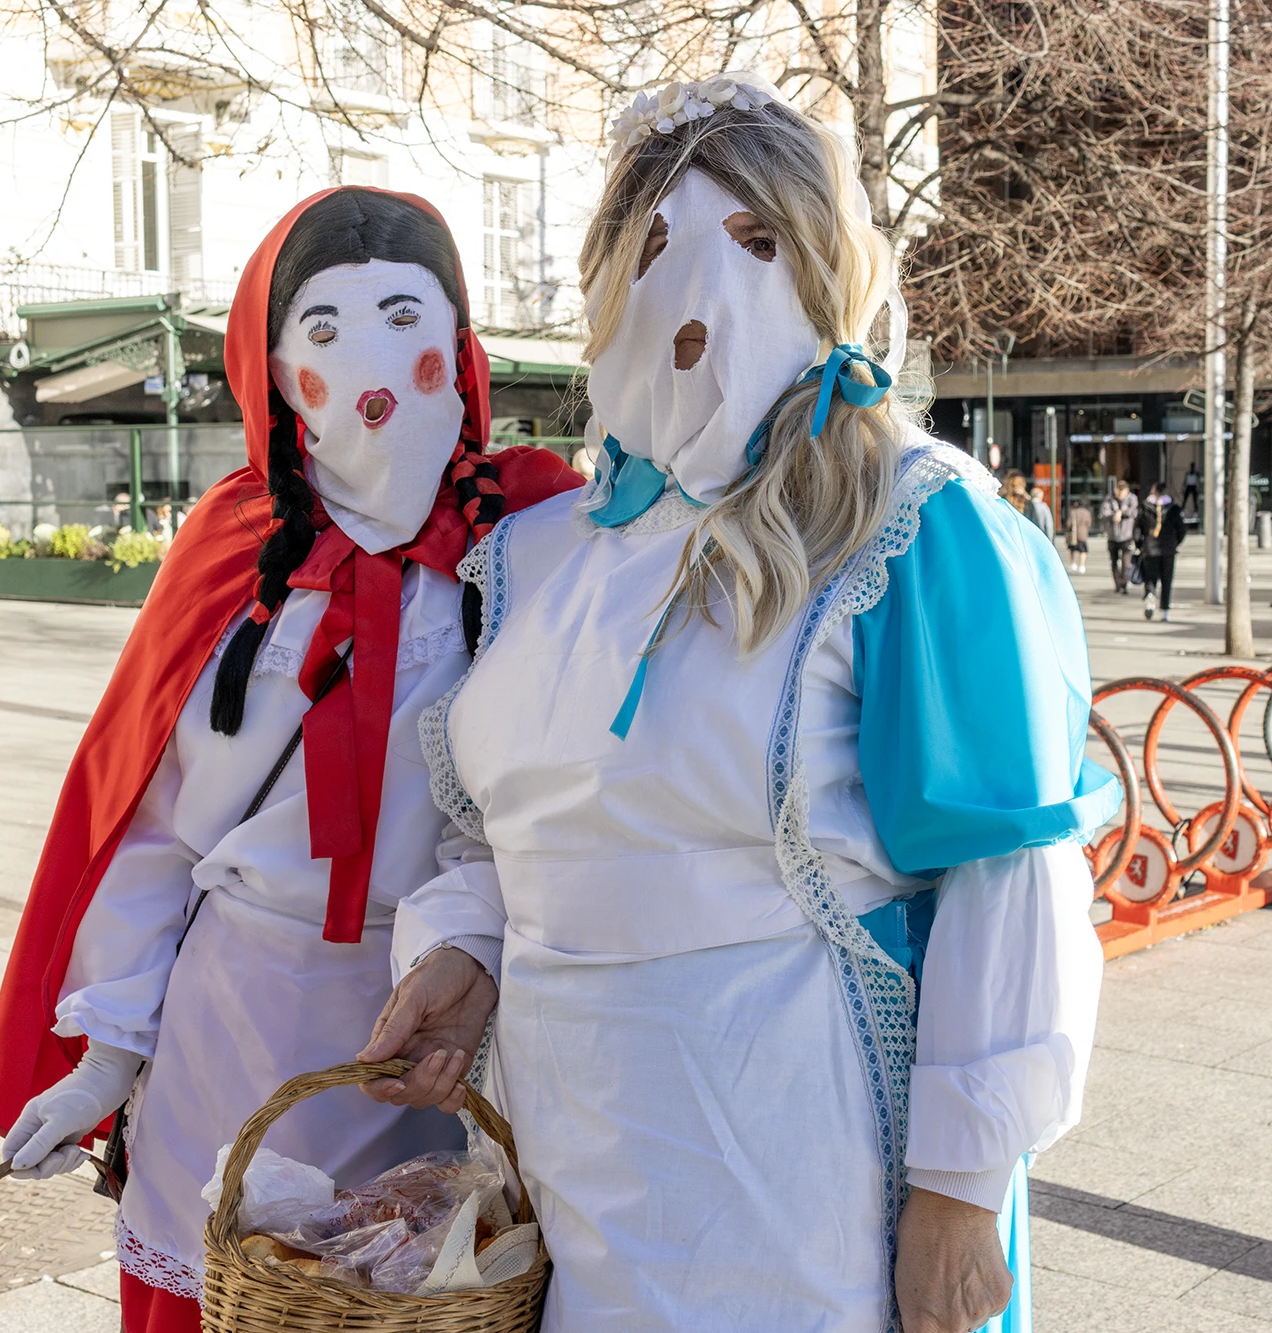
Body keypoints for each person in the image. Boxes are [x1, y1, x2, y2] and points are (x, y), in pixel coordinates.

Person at [358, 73, 1116, 1333]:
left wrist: (959, 1191)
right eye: (656, 244)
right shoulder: (543, 553)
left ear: (824, 266)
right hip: (566, 1144)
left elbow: (1009, 870)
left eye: (756, 241)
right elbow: (515, 831)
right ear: (605, 275)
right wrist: (463, 949)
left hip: (786, 1166)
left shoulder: (914, 523)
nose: (704, 290)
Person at [0, 188, 580, 1331]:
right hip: (234, 1017)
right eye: (326, 331)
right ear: (270, 367)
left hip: (451, 1025)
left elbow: (573, 796)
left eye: (406, 317)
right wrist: (107, 1057)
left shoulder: (540, 540)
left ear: (460, 343)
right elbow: (152, 829)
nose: (375, 371)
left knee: (438, 1290)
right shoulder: (239, 552)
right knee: (232, 1292)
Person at [1139, 481, 1185, 621]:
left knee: (1150, 578)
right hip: (1168, 550)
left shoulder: (1145, 507)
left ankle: (1150, 596)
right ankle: (1165, 610)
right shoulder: (1174, 509)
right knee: (1167, 580)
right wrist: (1175, 543)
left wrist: (1139, 544)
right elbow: (1181, 530)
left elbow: (1137, 528)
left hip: (1149, 549)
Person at [1100, 477, 1137, 594]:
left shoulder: (1132, 499)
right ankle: (1117, 584)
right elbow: (1104, 512)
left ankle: (1124, 583)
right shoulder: (1109, 499)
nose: (1120, 495)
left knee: (1126, 563)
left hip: (1126, 536)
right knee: (1114, 561)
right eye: (1118, 492)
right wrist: (1114, 515)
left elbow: (1133, 512)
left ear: (1127, 491)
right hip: (1113, 536)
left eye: (1122, 493)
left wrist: (1121, 513)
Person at [1065, 498, 1091, 575]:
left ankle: (1073, 564)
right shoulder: (1087, 513)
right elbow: (1088, 523)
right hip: (1083, 533)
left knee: (1072, 549)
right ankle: (1081, 565)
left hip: (1073, 534)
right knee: (1083, 550)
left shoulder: (1073, 512)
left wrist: (1067, 530)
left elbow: (1068, 523)